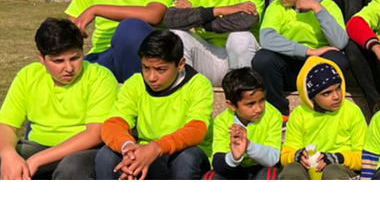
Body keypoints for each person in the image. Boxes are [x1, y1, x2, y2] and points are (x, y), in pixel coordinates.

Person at [0, 19, 118, 180]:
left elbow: (95, 134)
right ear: (41, 58)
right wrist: (8, 154)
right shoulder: (28, 76)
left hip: (83, 151)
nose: (69, 68)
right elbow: (6, 125)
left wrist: (37, 160)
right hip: (37, 146)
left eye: (75, 58)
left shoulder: (100, 77)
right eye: (59, 61)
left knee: (71, 168)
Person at [95, 30, 213, 180]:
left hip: (182, 154)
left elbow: (196, 130)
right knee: (106, 155)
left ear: (181, 64)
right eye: (146, 68)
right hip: (143, 153)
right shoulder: (135, 83)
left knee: (187, 158)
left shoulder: (198, 85)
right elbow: (113, 123)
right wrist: (127, 148)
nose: (151, 77)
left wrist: (156, 147)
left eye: (160, 69)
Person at [251, 0, 349, 117]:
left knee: (337, 59)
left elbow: (340, 42)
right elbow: (267, 38)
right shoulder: (277, 6)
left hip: (317, 70)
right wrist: (308, 51)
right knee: (263, 59)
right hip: (288, 67)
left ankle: (325, 110)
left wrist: (317, 9)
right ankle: (280, 113)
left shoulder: (328, 6)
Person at [279, 57, 366, 180]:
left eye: (338, 88)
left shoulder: (352, 111)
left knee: (332, 171)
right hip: (309, 170)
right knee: (292, 170)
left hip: (342, 169)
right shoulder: (299, 114)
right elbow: (285, 156)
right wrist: (298, 155)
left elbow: (364, 158)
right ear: (312, 97)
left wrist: (338, 158)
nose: (336, 96)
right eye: (327, 93)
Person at [204, 68, 283, 180]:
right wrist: (234, 158)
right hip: (235, 170)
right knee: (211, 177)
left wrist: (249, 145)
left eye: (262, 100)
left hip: (261, 168)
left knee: (270, 174)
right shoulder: (222, 121)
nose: (259, 109)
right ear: (231, 105)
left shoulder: (273, 115)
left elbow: (273, 159)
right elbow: (218, 162)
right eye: (250, 104)